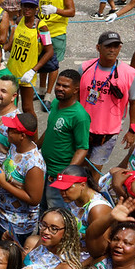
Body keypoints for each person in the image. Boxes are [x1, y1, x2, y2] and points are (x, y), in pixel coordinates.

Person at [78, 31, 135, 176]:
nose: (112, 50)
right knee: (78, 167)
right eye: (108, 46)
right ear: (98, 47)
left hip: (108, 133)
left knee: (94, 170)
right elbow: (75, 97)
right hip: (82, 128)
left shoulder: (130, 74)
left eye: (116, 46)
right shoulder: (84, 68)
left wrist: (132, 130)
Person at [39, 70, 91, 210]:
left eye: (65, 86)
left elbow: (82, 148)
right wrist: (35, 146)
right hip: (44, 170)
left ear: (75, 89)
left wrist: (67, 174)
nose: (60, 89)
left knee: (56, 212)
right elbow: (51, 129)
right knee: (42, 208)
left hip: (59, 176)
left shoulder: (80, 116)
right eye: (58, 84)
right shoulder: (55, 103)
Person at [0, 113, 46, 242]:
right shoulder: (15, 147)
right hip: (0, 215)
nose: (7, 131)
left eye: (12, 130)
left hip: (17, 226)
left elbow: (34, 199)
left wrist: (3, 183)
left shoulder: (34, 164)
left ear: (22, 136)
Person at [5, 0, 54, 114]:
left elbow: (49, 51)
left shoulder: (41, 26)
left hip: (27, 73)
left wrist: (33, 70)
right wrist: (1, 50)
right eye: (25, 6)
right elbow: (12, 43)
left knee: (27, 108)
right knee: (10, 106)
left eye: (31, 7)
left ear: (36, 8)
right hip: (12, 70)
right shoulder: (19, 20)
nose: (28, 9)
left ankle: (33, 133)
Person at [37, 0, 76, 101]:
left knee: (53, 65)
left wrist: (55, 10)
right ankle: (41, 91)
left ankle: (48, 95)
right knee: (42, 62)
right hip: (43, 32)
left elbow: (71, 11)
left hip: (57, 33)